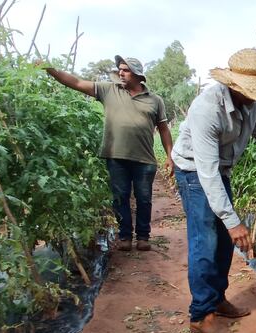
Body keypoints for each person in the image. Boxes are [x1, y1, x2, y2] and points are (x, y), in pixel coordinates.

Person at [171, 48, 256, 333]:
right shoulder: (207, 109)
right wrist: (232, 220)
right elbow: (207, 171)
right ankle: (201, 315)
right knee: (206, 240)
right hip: (193, 171)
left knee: (226, 243)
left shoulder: (252, 106)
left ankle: (217, 299)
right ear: (234, 86)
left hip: (219, 171)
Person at [40, 56, 174, 252]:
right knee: (120, 198)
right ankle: (125, 237)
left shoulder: (155, 100)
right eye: (119, 69)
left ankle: (143, 236)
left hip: (144, 159)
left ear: (137, 74)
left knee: (144, 199)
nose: (120, 73)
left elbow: (164, 129)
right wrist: (50, 69)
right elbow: (76, 82)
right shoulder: (108, 90)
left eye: (125, 70)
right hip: (116, 157)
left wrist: (170, 157)